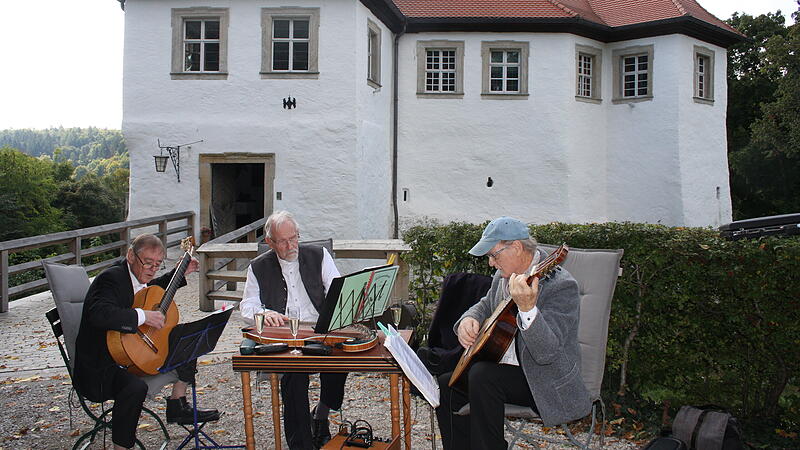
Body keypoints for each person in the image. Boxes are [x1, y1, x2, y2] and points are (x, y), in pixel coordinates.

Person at [435, 216, 591, 449]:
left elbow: (547, 353)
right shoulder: (503, 276)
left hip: (545, 380)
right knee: (449, 385)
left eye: (493, 255)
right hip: (502, 370)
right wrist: (468, 319)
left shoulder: (561, 286)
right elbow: (484, 305)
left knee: (482, 376)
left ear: (516, 247)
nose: (490, 263)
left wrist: (528, 309)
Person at [73, 234, 219, 450]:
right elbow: (98, 313)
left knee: (186, 340)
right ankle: (122, 446)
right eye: (148, 262)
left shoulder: (137, 278)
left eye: (157, 264)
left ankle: (177, 404)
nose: (152, 269)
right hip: (100, 370)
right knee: (134, 387)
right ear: (131, 256)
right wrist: (143, 316)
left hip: (129, 357)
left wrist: (180, 274)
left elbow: (155, 290)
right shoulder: (111, 278)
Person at [240, 210, 345, 450]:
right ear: (270, 242)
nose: (291, 245)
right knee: (294, 379)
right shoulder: (258, 266)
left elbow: (337, 289)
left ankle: (320, 415)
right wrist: (264, 313)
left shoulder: (319, 255)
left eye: (294, 237)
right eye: (283, 241)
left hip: (319, 331)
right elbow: (247, 305)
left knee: (341, 360)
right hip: (285, 337)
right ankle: (301, 446)